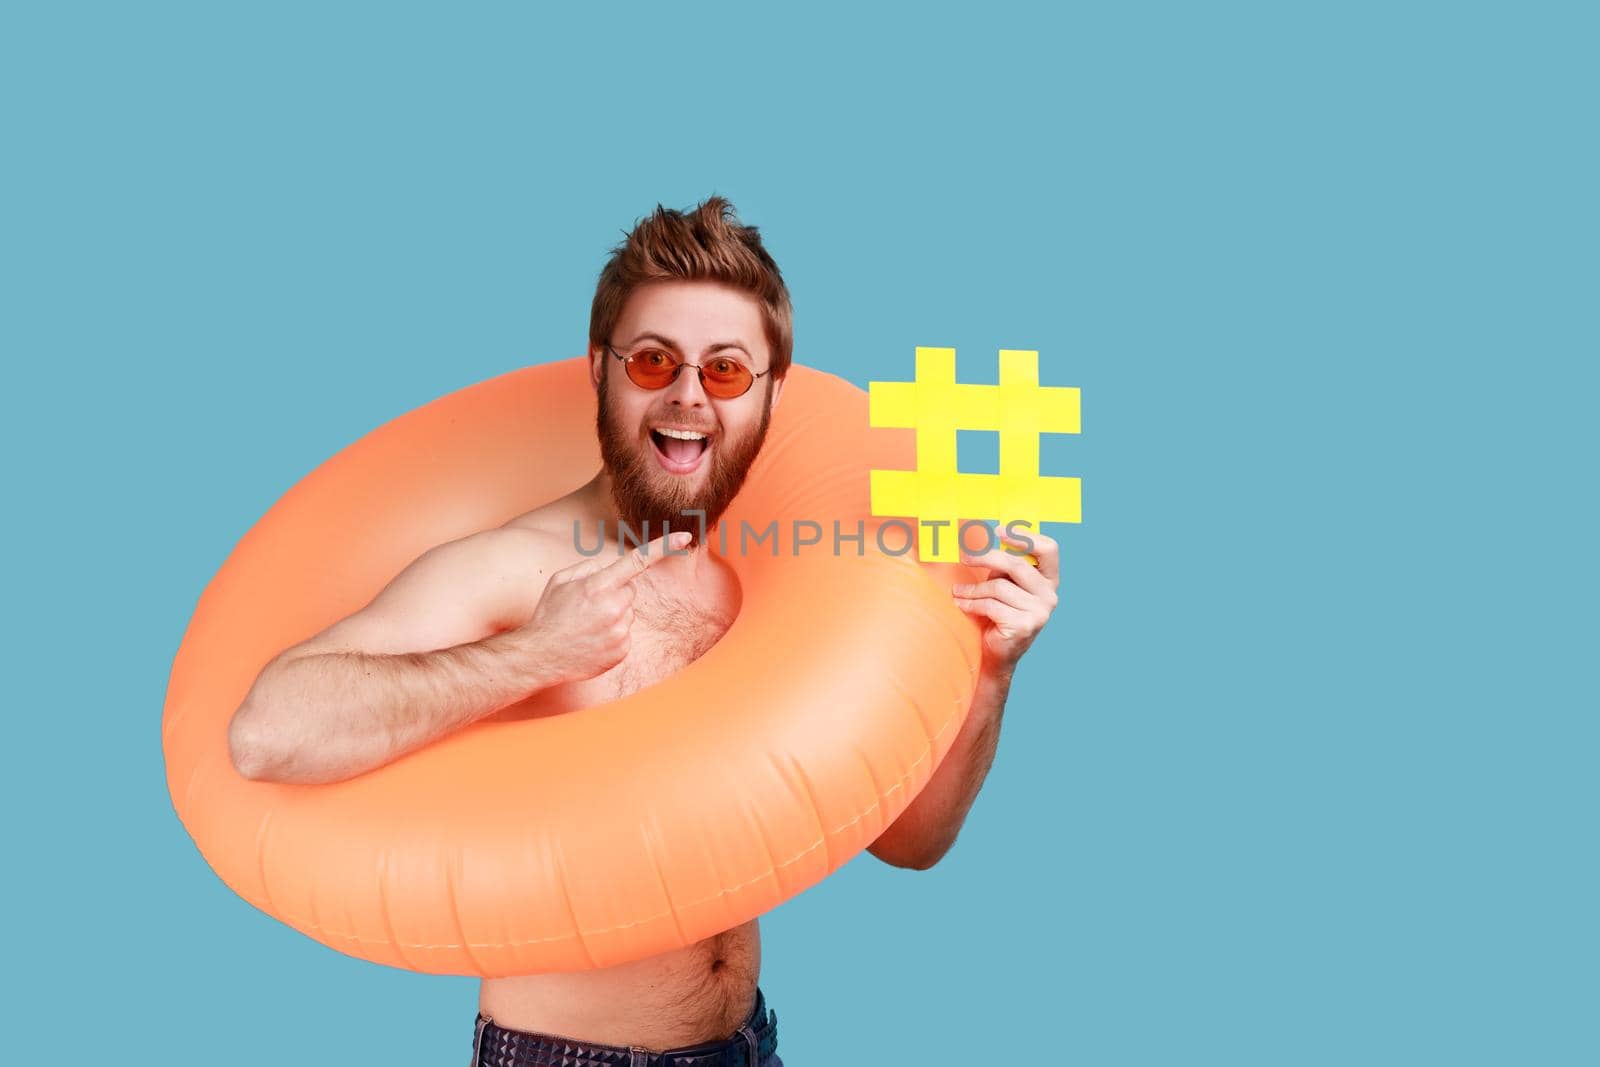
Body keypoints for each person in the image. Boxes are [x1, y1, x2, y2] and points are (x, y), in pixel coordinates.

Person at [225, 196, 1061, 1067]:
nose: (688, 395)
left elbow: (910, 843)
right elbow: (268, 731)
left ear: (774, 393)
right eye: (654, 359)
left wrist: (993, 671)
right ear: (601, 370)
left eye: (727, 371)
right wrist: (532, 654)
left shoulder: (754, 593)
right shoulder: (518, 569)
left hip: (745, 1043)